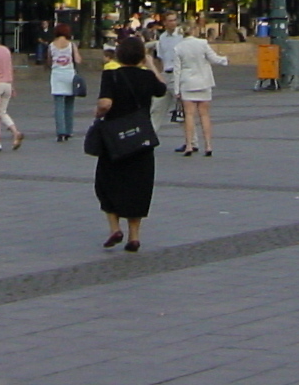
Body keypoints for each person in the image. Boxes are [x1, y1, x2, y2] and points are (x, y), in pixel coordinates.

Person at [93, 34, 167, 252]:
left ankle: (114, 228)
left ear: (120, 53)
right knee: (138, 186)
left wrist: (98, 113)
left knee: (107, 182)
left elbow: (105, 103)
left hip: (115, 140)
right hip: (140, 139)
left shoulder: (111, 75)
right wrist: (151, 65)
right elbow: (162, 89)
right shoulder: (147, 77)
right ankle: (134, 236)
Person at [170, 23, 228, 155]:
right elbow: (214, 59)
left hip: (187, 84)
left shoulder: (178, 47)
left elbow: (177, 70)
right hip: (204, 82)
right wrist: (224, 60)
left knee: (189, 115)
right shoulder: (202, 43)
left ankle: (189, 145)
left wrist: (176, 89)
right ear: (194, 30)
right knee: (205, 115)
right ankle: (208, 145)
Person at [46, 25, 81, 141]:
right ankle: (69, 131)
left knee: (59, 105)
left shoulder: (51, 45)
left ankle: (60, 132)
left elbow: (49, 61)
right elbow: (78, 60)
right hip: (69, 75)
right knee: (70, 105)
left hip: (57, 75)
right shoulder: (71, 45)